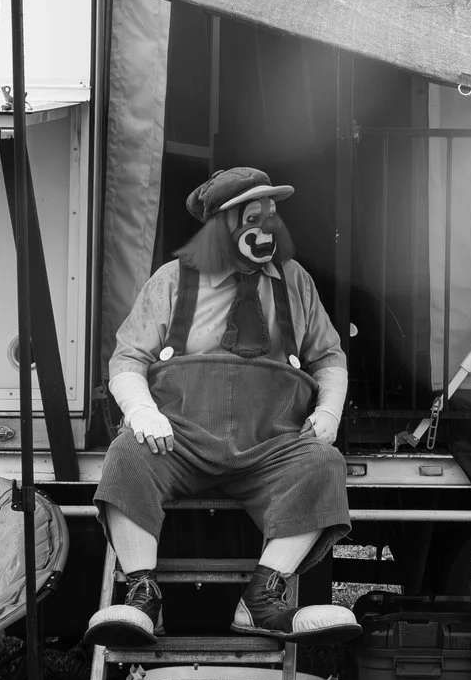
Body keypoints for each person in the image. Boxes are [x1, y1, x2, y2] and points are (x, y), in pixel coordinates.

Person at [86, 166, 360, 646]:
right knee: (126, 455)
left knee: (323, 464)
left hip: (272, 443)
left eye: (271, 215)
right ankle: (142, 595)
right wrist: (143, 411)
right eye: (253, 217)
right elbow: (128, 358)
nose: (268, 227)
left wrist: (329, 411)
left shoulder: (295, 281)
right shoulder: (173, 279)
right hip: (180, 440)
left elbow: (329, 357)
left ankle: (263, 598)